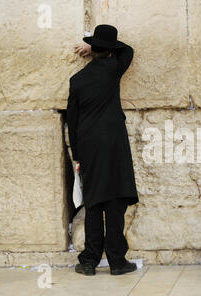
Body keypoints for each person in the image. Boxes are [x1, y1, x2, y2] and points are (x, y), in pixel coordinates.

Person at [67, 24, 139, 276]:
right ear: (110, 51)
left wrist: (77, 155)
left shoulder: (77, 80)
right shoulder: (113, 69)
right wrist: (97, 46)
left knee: (94, 203)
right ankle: (117, 261)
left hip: (89, 147)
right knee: (116, 200)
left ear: (93, 50)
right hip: (114, 145)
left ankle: (89, 261)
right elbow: (128, 51)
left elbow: (72, 122)